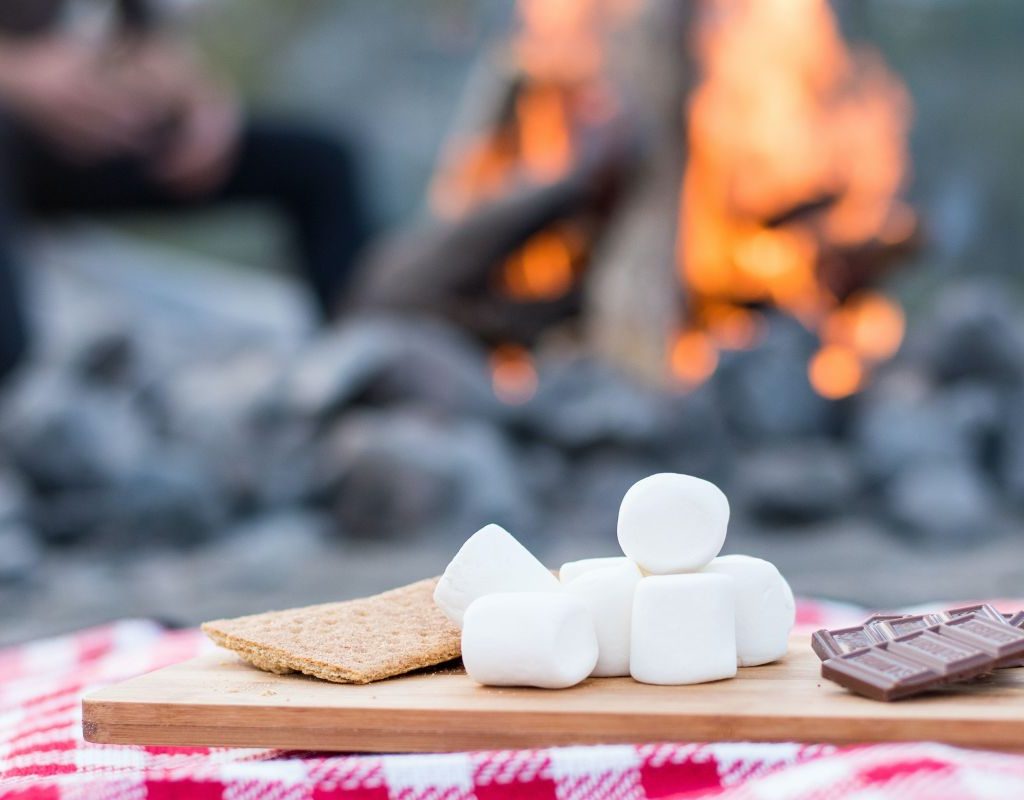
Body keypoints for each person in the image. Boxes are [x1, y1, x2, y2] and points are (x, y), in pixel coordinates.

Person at [0, 0, 369, 380]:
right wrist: (17, 74)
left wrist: (202, 105)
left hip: (71, 141)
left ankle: (369, 376)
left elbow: (144, 38)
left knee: (319, 162)